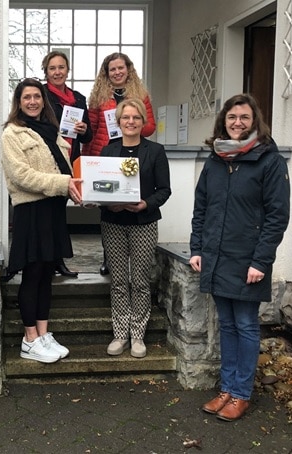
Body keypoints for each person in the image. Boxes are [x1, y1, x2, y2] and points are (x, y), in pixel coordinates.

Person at [189, 93, 290, 422]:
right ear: (224, 121)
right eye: (232, 117)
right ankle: (227, 389)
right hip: (217, 257)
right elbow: (202, 209)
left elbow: (277, 217)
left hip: (248, 261)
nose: (237, 123)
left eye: (244, 117)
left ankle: (241, 394)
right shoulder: (215, 160)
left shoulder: (269, 161)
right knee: (227, 324)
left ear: (254, 121)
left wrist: (261, 261)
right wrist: (197, 248)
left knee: (245, 325)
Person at [1, 78, 82, 364]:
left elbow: (64, 166)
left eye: (37, 96)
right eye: (27, 97)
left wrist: (76, 188)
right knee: (32, 274)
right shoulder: (12, 133)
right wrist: (63, 184)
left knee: (47, 274)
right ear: (19, 102)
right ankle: (30, 339)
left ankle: (43, 334)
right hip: (31, 211)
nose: (33, 101)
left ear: (43, 100)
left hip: (53, 210)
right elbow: (20, 175)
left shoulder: (51, 129)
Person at [99, 99, 171, 358]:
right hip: (113, 223)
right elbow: (101, 186)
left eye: (136, 117)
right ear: (118, 122)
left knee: (140, 281)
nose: (131, 122)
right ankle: (120, 335)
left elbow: (164, 190)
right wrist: (106, 203)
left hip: (144, 224)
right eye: (126, 117)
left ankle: (138, 335)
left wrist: (145, 204)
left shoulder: (156, 151)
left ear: (143, 122)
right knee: (119, 281)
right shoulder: (108, 151)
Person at [84, 52, 156, 275]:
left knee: (130, 200)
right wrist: (88, 160)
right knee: (109, 206)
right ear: (106, 73)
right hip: (106, 154)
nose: (117, 72)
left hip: (133, 153)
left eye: (120, 68)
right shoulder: (98, 97)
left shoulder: (140, 95)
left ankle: (135, 259)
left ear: (128, 69)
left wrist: (130, 124)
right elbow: (91, 130)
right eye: (112, 69)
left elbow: (150, 127)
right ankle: (110, 258)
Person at [42, 50, 93, 278]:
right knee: (49, 213)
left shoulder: (78, 98)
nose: (57, 72)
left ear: (68, 70)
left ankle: (58, 261)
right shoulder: (41, 95)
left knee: (59, 214)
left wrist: (83, 129)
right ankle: (48, 261)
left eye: (61, 67)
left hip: (70, 161)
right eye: (52, 68)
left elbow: (88, 136)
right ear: (46, 72)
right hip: (49, 161)